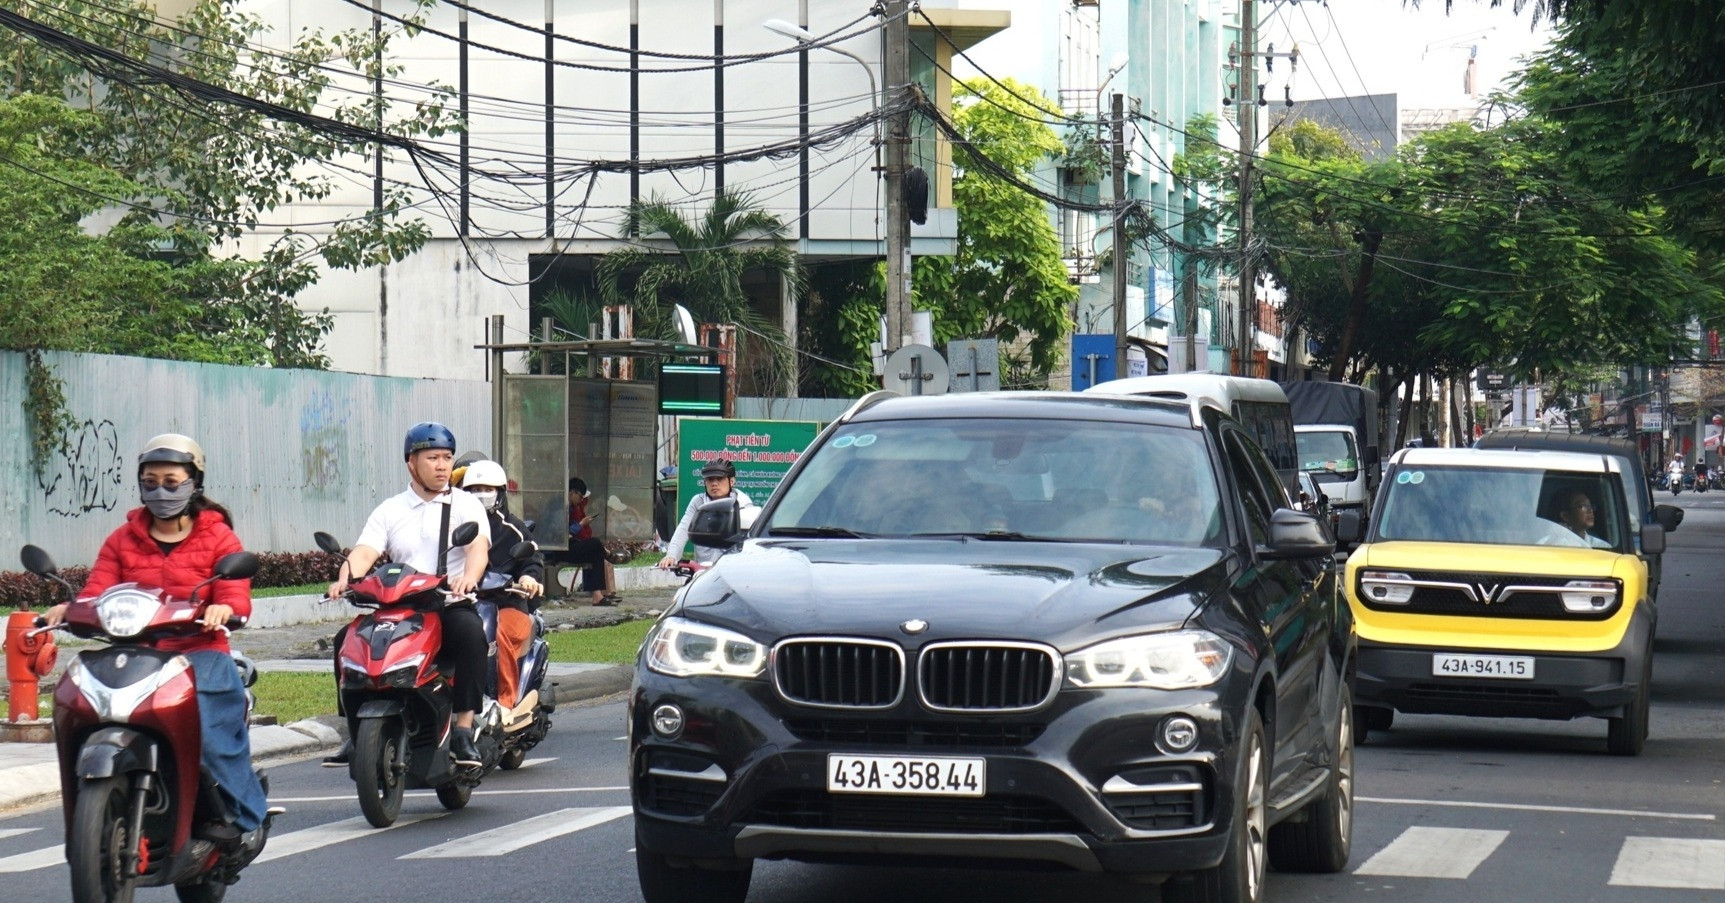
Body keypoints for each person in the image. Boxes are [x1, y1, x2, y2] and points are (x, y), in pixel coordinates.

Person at [43, 434, 270, 844]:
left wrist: (225, 609)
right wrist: (70, 608)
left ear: (194, 483)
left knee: (211, 736)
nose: (160, 491)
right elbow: (97, 589)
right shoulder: (121, 539)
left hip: (200, 652)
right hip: (136, 653)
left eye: (171, 481)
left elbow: (235, 593)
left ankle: (247, 818)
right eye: (150, 482)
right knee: (83, 707)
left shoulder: (218, 537)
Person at [324, 422, 490, 767]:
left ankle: (462, 728)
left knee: (472, 634)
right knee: (346, 640)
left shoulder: (465, 505)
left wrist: (468, 580)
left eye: (447, 457)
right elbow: (362, 554)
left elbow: (478, 550)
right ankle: (355, 731)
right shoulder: (390, 509)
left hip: (446, 603)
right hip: (398, 604)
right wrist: (345, 580)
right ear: (411, 462)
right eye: (433, 458)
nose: (442, 465)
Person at [456, 459, 545, 711]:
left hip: (507, 606)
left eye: (487, 489)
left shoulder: (513, 529)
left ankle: (505, 702)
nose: (480, 495)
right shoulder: (455, 525)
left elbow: (532, 559)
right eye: (473, 490)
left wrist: (528, 578)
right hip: (463, 604)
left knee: (495, 632)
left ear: (500, 492)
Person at [659, 459, 755, 568]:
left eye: (720, 479)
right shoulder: (698, 502)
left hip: (733, 568)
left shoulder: (742, 502)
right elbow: (683, 529)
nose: (714, 483)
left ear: (732, 481)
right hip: (703, 571)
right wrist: (671, 555)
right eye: (710, 479)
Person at [542, 477, 619, 606]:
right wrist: (581, 524)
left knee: (595, 552)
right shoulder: (559, 507)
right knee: (595, 544)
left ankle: (598, 595)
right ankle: (607, 554)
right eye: (580, 496)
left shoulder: (570, 508)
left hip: (566, 546)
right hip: (556, 549)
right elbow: (561, 535)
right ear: (572, 492)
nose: (581, 500)